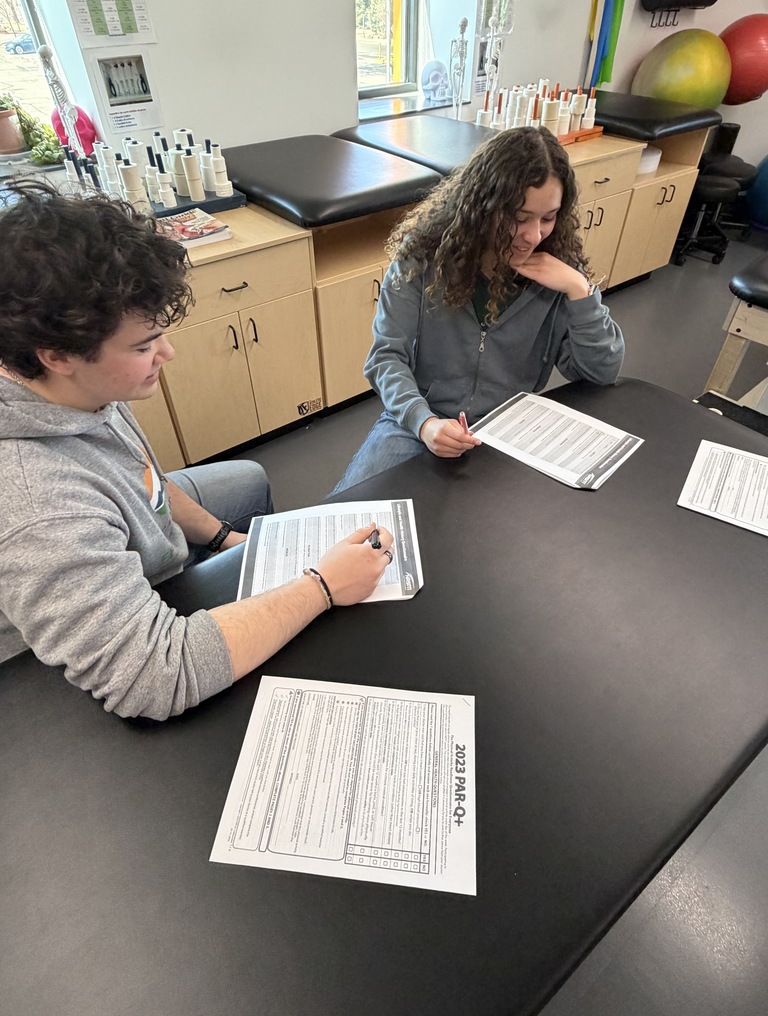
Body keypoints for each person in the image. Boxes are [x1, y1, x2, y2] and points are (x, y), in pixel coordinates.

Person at [0, 180, 393, 720]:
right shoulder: (38, 507)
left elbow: (144, 478)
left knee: (248, 479)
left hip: (130, 520)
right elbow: (153, 677)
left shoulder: (77, 386)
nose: (168, 352)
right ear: (57, 355)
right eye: (143, 346)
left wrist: (224, 538)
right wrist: (322, 587)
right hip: (65, 668)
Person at [333, 125, 625, 492]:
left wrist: (580, 291)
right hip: (420, 420)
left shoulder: (559, 272)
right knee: (349, 515)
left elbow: (601, 373)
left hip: (512, 431)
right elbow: (386, 358)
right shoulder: (422, 258)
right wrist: (423, 423)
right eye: (519, 218)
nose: (534, 235)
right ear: (483, 207)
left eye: (548, 218)